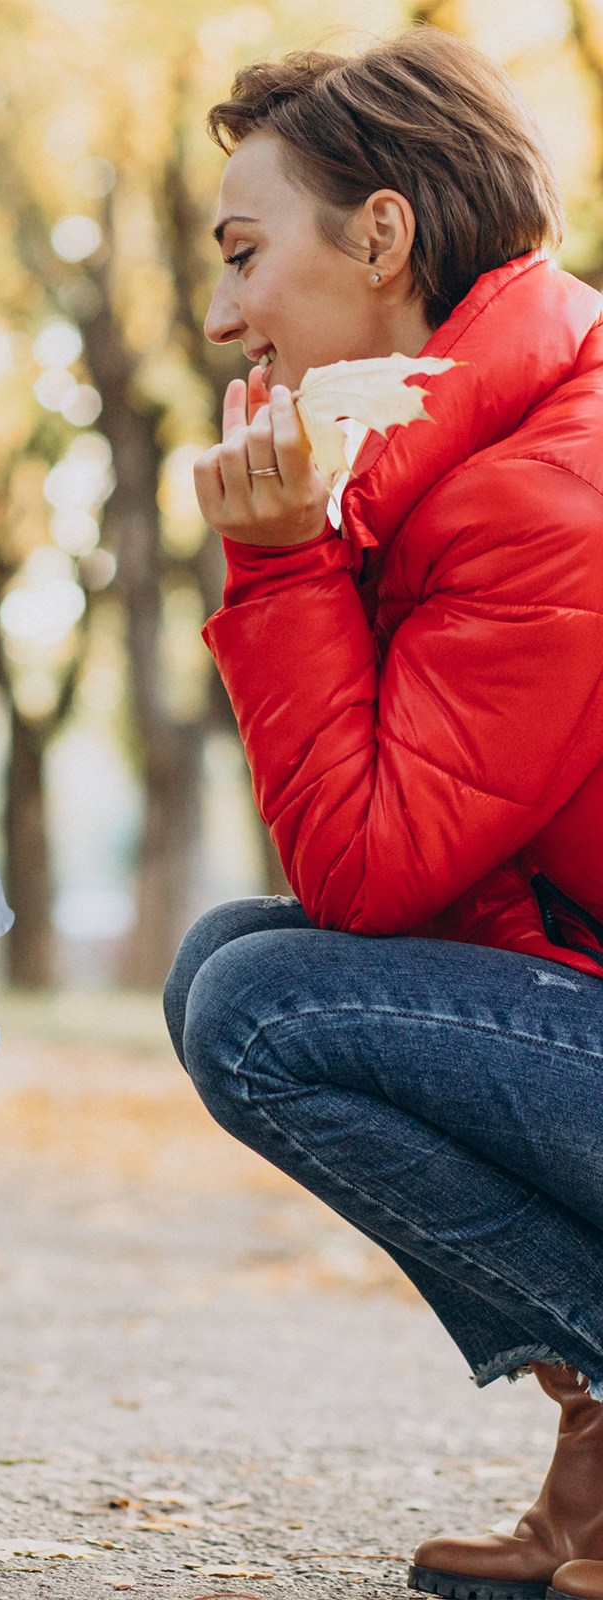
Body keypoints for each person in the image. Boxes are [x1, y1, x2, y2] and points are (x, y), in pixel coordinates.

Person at [164, 28, 603, 1600]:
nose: (222, 315)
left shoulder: (551, 490)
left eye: (243, 253)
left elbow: (368, 869)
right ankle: (599, 1441)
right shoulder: (473, 447)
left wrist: (282, 564)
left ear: (383, 236)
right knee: (228, 963)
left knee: (264, 1011)